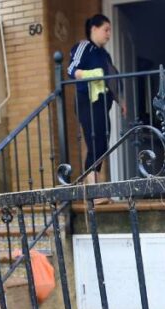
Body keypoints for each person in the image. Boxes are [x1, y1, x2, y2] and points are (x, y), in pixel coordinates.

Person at [68, 14, 127, 184]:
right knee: (95, 141)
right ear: (94, 29)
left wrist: (121, 101)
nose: (109, 34)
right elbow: (71, 68)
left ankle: (92, 184)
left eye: (109, 30)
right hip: (87, 101)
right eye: (106, 29)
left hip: (102, 104)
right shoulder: (84, 47)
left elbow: (111, 78)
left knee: (102, 143)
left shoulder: (104, 55)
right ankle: (92, 188)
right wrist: (87, 75)